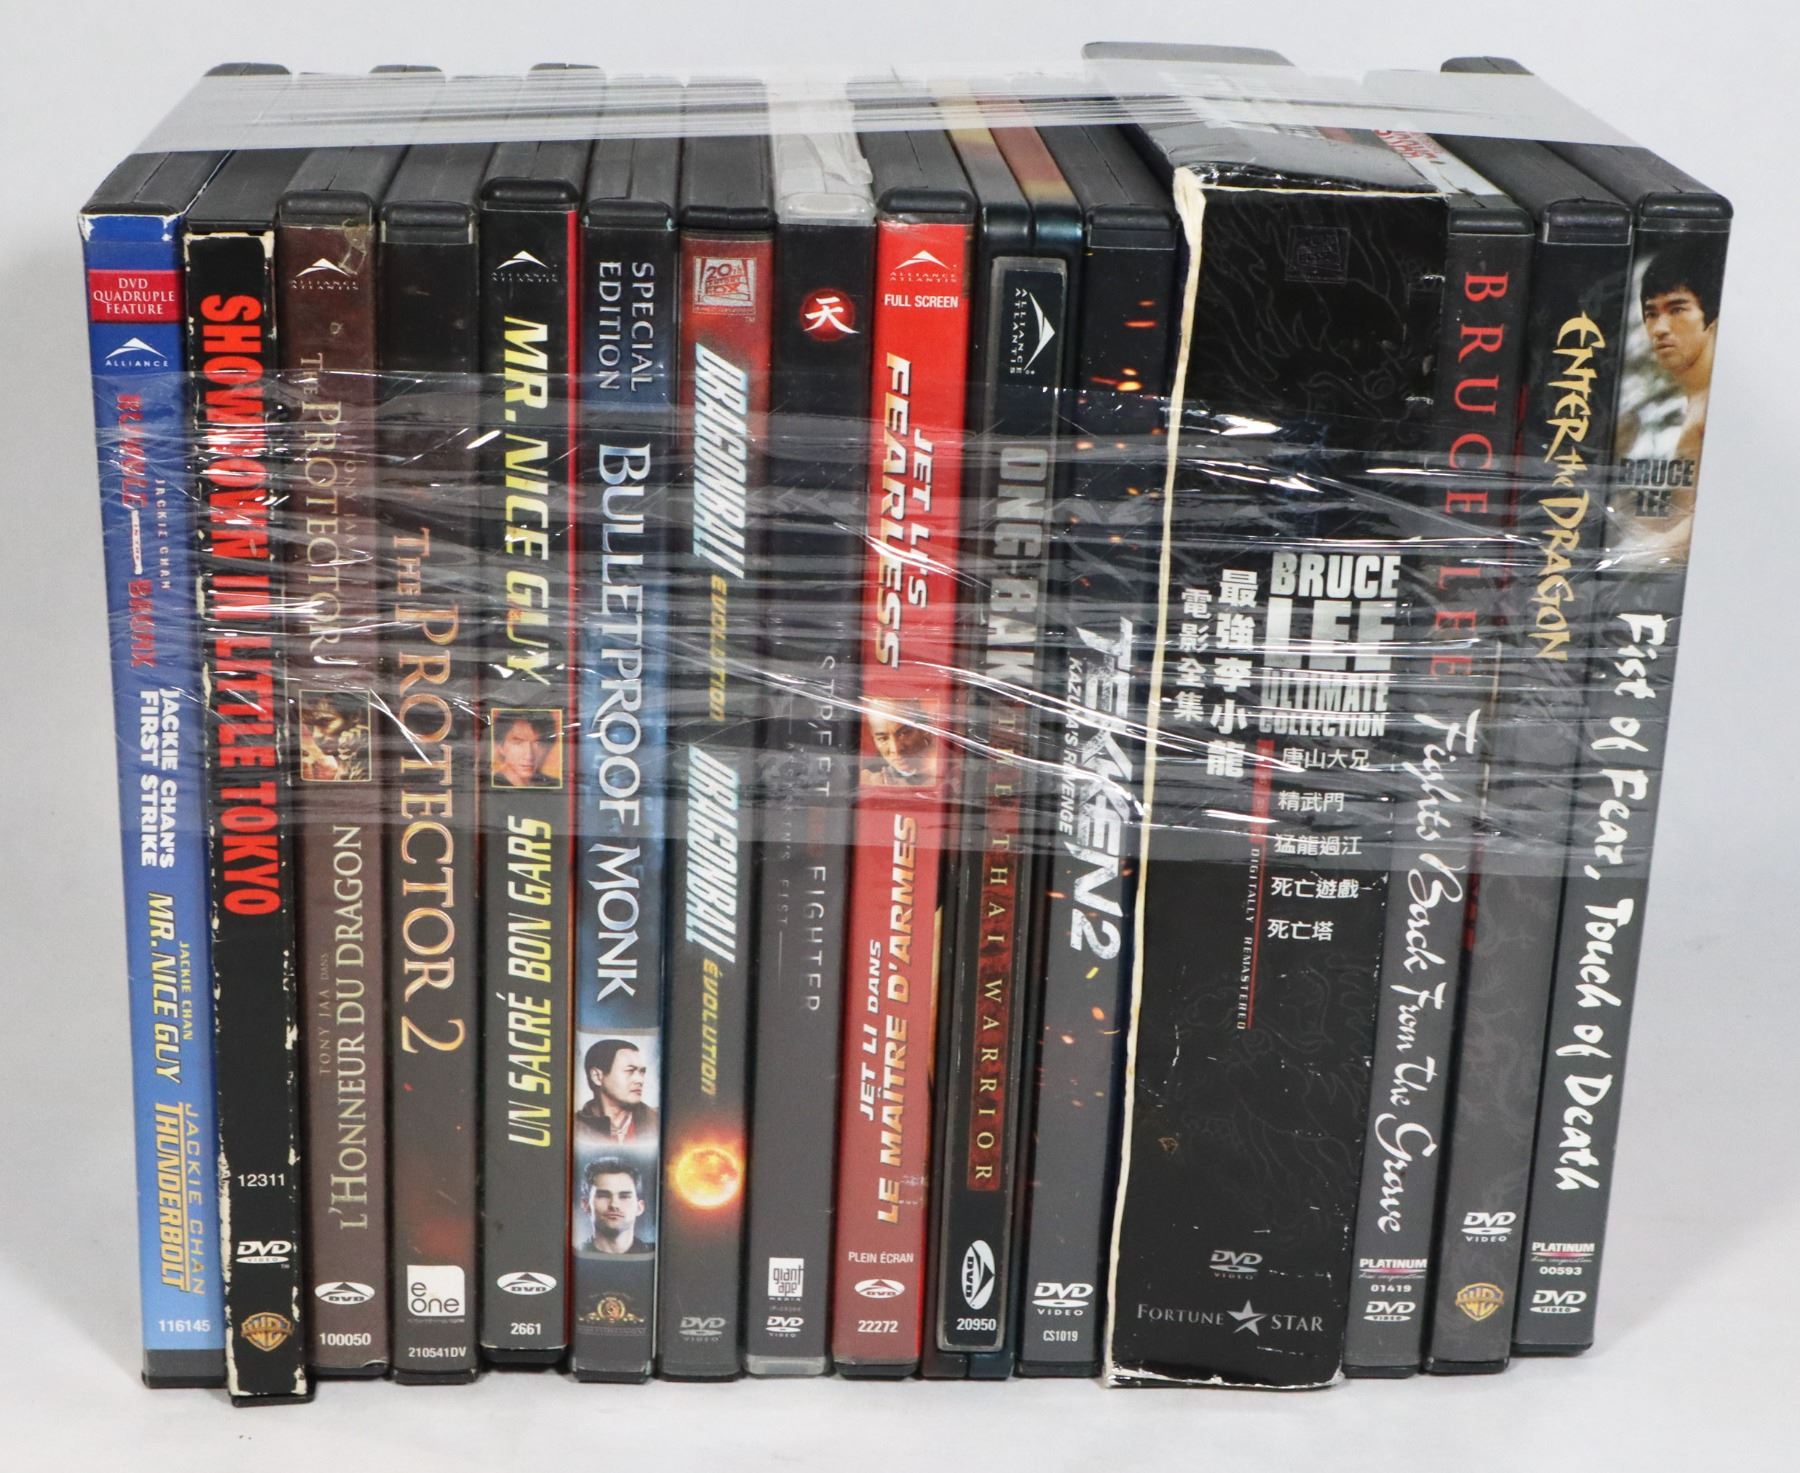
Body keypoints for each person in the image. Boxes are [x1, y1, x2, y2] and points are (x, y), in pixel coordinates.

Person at [574, 1038, 659, 1146]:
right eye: (630, 1071)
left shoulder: (659, 1122)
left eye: (642, 1072)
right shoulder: (572, 1128)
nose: (640, 1080)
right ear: (597, 1076)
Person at [579, 1156, 654, 1256]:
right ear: (585, 1205)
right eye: (603, 1196)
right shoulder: (573, 1254)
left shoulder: (657, 1254)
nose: (614, 1205)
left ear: (639, 1207)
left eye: (624, 1196)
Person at [861, 698, 939, 788]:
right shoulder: (870, 779)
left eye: (904, 734)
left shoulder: (947, 770)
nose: (896, 749)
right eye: (883, 739)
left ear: (924, 729)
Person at [490, 709, 560, 788]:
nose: (529, 756)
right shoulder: (489, 785)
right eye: (518, 742)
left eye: (538, 743)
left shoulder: (554, 784)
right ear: (500, 746)